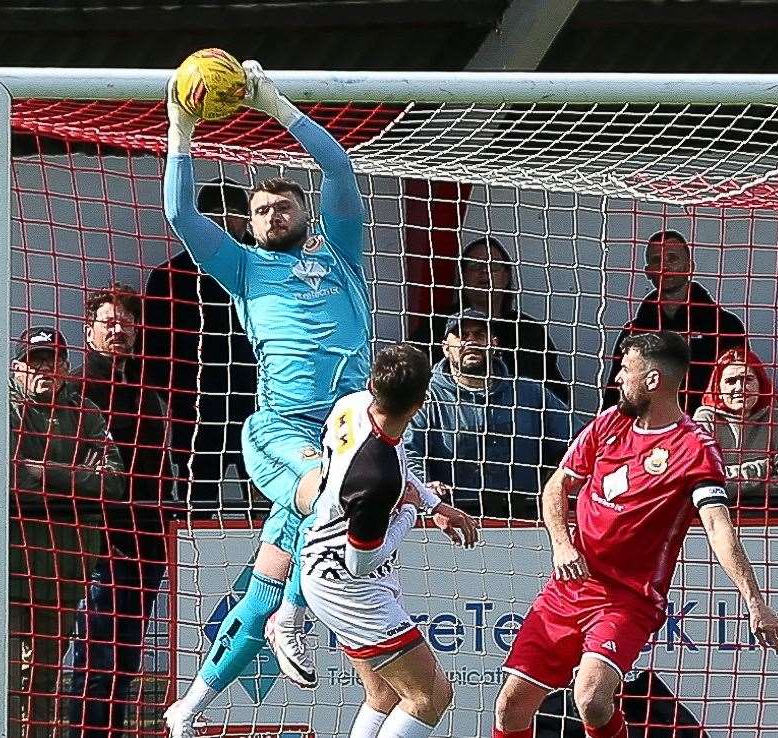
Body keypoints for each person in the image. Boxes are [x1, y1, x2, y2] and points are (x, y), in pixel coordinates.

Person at [161, 62, 467, 736]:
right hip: (280, 430)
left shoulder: (341, 256)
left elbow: (338, 172)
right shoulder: (241, 266)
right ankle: (293, 618)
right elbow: (180, 213)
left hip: (347, 425)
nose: (272, 215)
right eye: (260, 210)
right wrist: (181, 129)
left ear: (303, 214)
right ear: (248, 223)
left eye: (283, 206)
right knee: (329, 495)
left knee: (270, 573)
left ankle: (188, 709)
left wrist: (276, 106)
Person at [492, 331, 778, 738]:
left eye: (625, 370)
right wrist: (562, 545)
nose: (616, 378)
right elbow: (557, 487)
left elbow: (720, 527)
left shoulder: (695, 448)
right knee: (510, 707)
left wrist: (756, 603)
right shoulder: (609, 423)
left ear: (652, 381)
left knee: (592, 700)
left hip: (628, 599)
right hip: (568, 588)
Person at [300, 343, 478, 738]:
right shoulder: (376, 477)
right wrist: (411, 514)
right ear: (420, 405)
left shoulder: (351, 404)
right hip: (347, 585)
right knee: (430, 696)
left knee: (382, 694)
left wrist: (433, 505)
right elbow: (359, 562)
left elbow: (398, 468)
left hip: (323, 563)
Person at [67, 283, 172, 737]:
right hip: (99, 538)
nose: (119, 332)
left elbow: (159, 462)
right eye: (109, 323)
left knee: (126, 655)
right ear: (89, 329)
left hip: (146, 539)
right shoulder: (76, 390)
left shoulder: (146, 388)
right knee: (98, 653)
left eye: (127, 324)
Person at [8, 327, 124, 738]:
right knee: (4, 675)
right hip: (10, 565)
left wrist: (43, 472)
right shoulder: (4, 407)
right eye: (36, 360)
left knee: (45, 678)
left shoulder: (87, 411)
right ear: (17, 365)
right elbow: (10, 477)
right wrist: (77, 475)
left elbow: (113, 481)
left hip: (67, 565)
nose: (47, 370)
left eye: (55, 360)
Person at [144, 178, 257, 513]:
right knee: (197, 509)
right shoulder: (171, 276)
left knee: (273, 505)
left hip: (261, 412)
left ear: (247, 219)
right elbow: (154, 352)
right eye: (213, 215)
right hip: (196, 417)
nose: (223, 222)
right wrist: (183, 400)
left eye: (232, 214)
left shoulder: (263, 268)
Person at [405, 308, 569, 519]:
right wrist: (425, 488)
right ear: (445, 348)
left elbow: (577, 442)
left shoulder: (531, 392)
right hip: (451, 519)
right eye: (462, 335)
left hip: (526, 518)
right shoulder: (425, 398)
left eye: (479, 335)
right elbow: (408, 451)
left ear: (494, 343)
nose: (471, 341)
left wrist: (557, 482)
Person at [408, 236, 568, 403]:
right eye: (475, 266)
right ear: (463, 276)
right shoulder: (438, 326)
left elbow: (557, 394)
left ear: (507, 276)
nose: (484, 271)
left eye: (494, 266)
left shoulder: (529, 332)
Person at [602, 230, 746, 414]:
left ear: (690, 266)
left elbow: (741, 390)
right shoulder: (634, 332)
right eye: (656, 260)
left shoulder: (726, 326)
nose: (665, 267)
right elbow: (615, 398)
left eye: (672, 259)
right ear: (648, 272)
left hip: (709, 429)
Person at [693, 348, 778, 509]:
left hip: (769, 518)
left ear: (760, 385)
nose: (740, 387)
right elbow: (702, 483)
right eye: (731, 381)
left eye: (748, 379)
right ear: (718, 389)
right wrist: (766, 467)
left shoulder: (776, 418)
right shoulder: (705, 418)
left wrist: (732, 482)